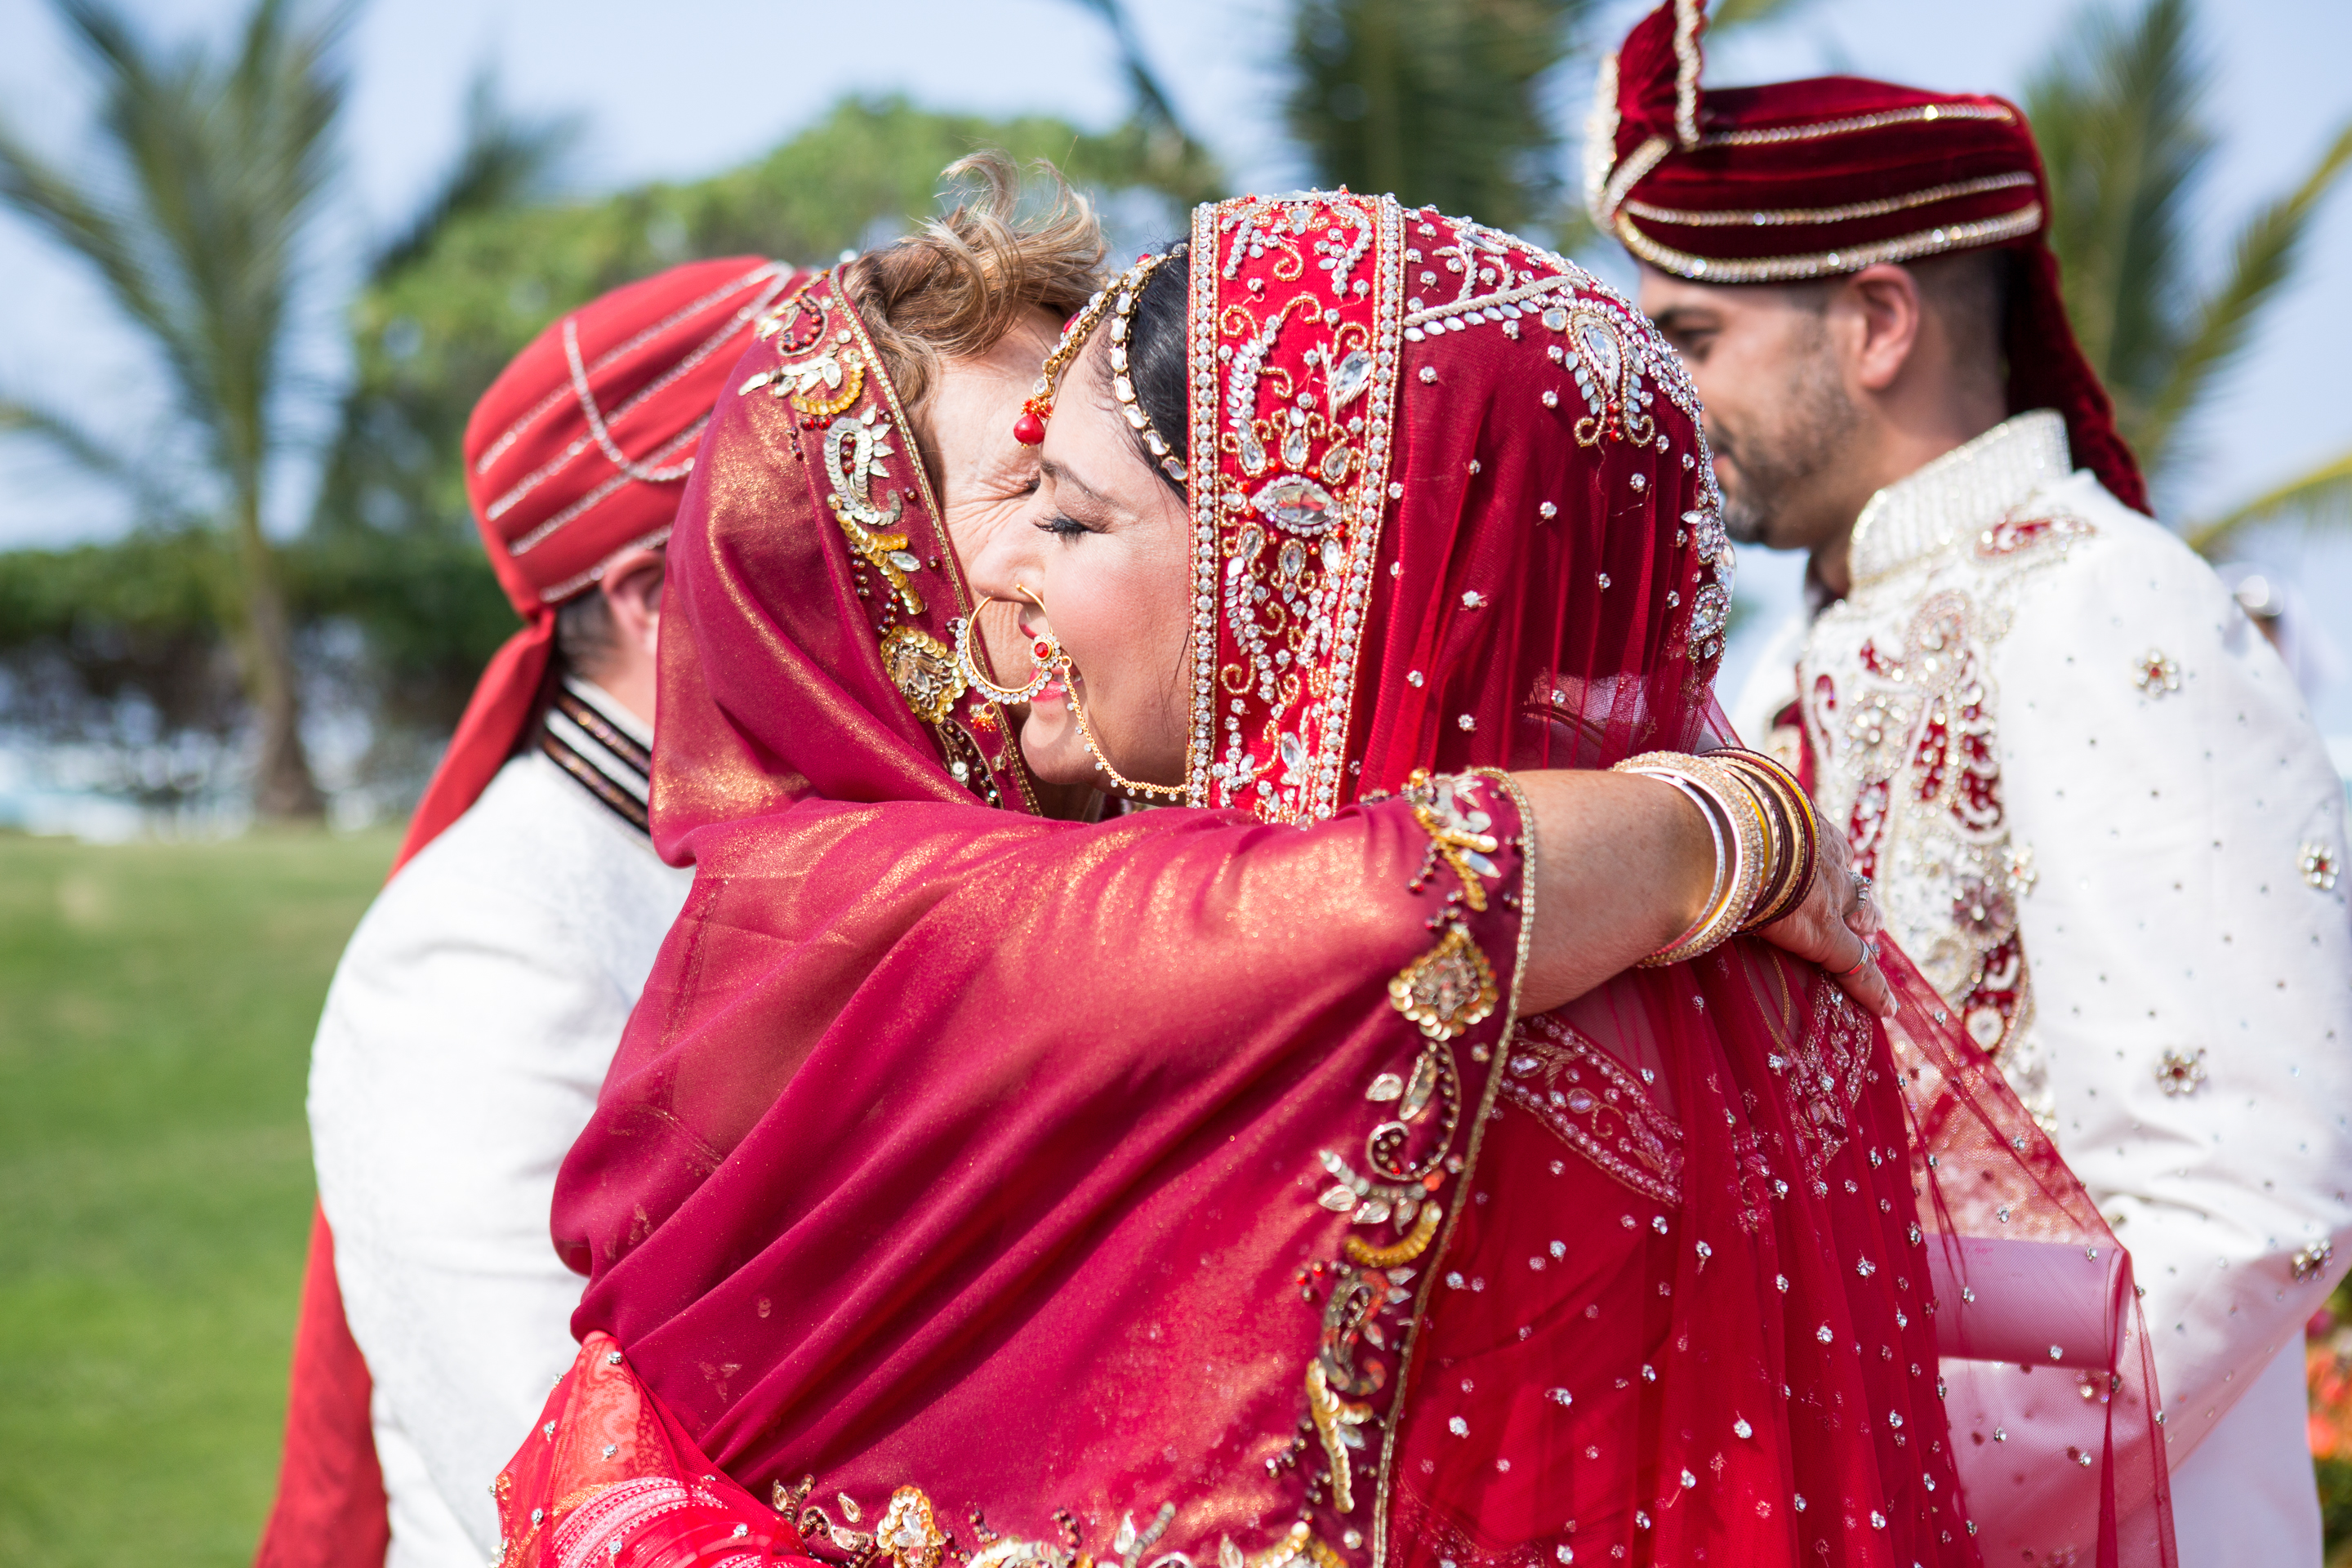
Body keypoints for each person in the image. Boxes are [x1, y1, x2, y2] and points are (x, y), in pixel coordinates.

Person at [497, 188, 2165, 1568]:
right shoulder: (875, 903)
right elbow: (1365, 902)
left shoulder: (1494, 1013)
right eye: (970, 516)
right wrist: (1719, 831)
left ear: (1297, 551)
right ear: (839, 596)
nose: (1003, 574)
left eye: (1061, 505)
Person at [1589, 2, 2352, 1561]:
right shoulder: (1804, 650)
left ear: (1878, 323)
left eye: (1695, 339)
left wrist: (1846, 1483)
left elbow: (2252, 1205)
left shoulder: (2101, 607)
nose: (1662, 399)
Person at [255, 257, 804, 1568]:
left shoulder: (802, 854)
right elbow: (563, 1488)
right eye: (835, 513)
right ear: (650, 593)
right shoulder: (477, 953)